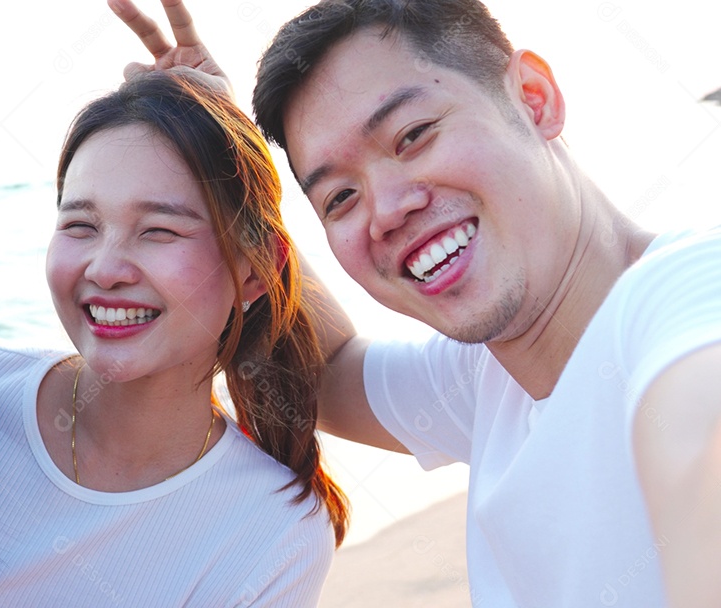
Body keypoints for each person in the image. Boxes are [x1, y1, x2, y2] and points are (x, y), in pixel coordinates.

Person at [110, 0, 721, 606]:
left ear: (534, 100)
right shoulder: (489, 380)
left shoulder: (683, 299)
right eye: (341, 197)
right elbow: (326, 373)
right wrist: (223, 156)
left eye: (413, 136)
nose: (386, 208)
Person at [0, 72, 348, 606]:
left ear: (257, 272)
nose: (107, 267)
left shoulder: (271, 532)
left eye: (159, 230)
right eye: (80, 226)